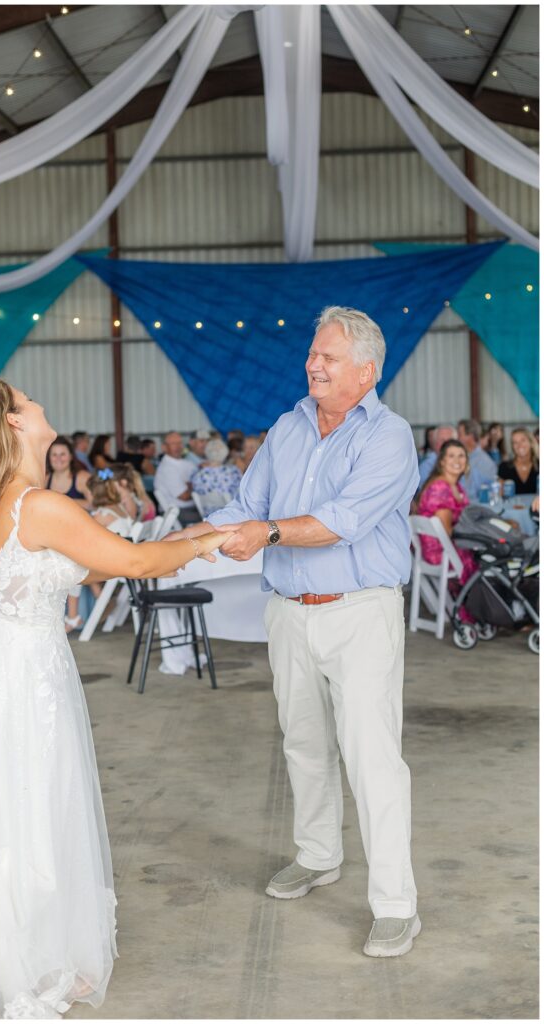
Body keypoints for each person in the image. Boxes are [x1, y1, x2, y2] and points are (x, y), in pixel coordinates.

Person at [0, 378, 229, 1019]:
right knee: (27, 799)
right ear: (12, 424)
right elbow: (134, 564)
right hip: (22, 676)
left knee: (0, 805)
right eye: (28, 401)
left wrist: (164, 553)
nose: (39, 404)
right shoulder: (38, 504)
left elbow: (85, 563)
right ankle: (16, 955)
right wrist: (216, 539)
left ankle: (17, 947)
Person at [167, 306, 422, 958]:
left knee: (370, 757)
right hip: (288, 609)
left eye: (327, 357)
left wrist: (267, 534)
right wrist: (185, 539)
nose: (312, 364)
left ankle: (395, 906)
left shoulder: (388, 436)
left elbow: (342, 520)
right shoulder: (287, 426)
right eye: (312, 354)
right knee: (303, 743)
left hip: (358, 610)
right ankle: (317, 856)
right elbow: (247, 508)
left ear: (364, 371)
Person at [416, 440, 478, 605]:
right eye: (451, 456)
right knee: (487, 557)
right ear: (442, 461)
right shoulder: (440, 488)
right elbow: (447, 533)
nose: (457, 461)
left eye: (461, 456)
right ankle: (478, 608)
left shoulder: (456, 486)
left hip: (446, 549)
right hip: (441, 552)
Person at [46, 435, 92, 632]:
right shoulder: (45, 479)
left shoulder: (82, 477)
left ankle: (72, 615)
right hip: (52, 536)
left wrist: (61, 501)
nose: (58, 459)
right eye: (54, 455)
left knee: (69, 559)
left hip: (81, 536)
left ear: (71, 456)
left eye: (62, 454)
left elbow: (95, 504)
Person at [153, 431, 198, 525]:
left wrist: (190, 485)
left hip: (189, 508)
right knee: (213, 517)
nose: (178, 447)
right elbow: (184, 496)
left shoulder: (185, 463)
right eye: (173, 444)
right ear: (164, 447)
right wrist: (194, 485)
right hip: (177, 512)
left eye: (180, 443)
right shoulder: (167, 468)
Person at [190, 438, 242, 509]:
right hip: (231, 515)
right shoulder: (233, 472)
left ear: (207, 452)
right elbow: (241, 495)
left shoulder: (197, 475)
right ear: (225, 453)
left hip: (208, 517)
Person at [457, 418, 497, 501]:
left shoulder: (486, 463)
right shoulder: (458, 458)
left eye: (460, 434)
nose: (457, 438)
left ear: (470, 436)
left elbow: (481, 495)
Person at [498, 427, 539, 495]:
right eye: (515, 442)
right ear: (512, 446)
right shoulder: (504, 467)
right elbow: (499, 496)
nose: (519, 445)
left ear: (531, 443)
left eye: (523, 440)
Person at [417, 425, 457, 490]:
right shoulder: (426, 467)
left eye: (450, 440)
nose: (446, 444)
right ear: (435, 443)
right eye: (442, 440)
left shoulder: (462, 463)